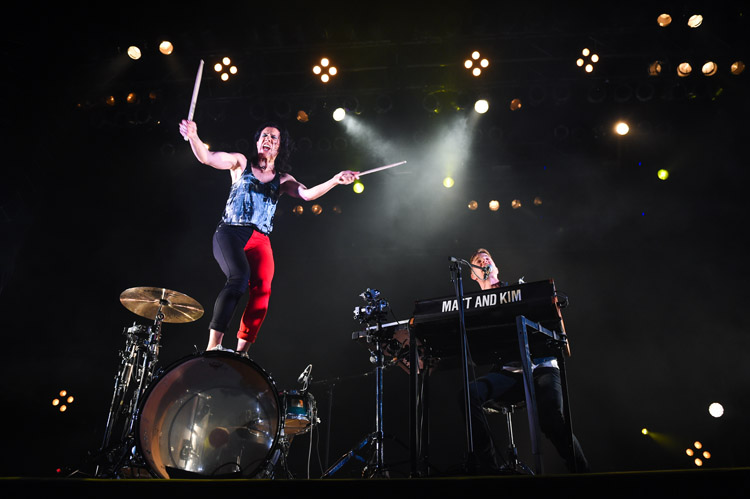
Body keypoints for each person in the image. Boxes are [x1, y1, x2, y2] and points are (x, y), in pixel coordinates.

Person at [179, 119, 358, 354]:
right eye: (264, 135)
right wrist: (193, 136)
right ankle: (214, 346)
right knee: (239, 278)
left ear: (279, 147)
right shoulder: (240, 163)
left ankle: (241, 353)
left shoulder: (283, 179)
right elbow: (207, 157)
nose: (268, 139)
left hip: (260, 239)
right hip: (231, 231)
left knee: (262, 290)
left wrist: (335, 180)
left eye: (274, 137)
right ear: (257, 142)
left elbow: (306, 195)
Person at [461, 247, 590, 474]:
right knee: (469, 394)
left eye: (487, 259)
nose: (483, 262)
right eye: (478, 261)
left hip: (541, 365)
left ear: (496, 268)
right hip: (510, 372)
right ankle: (489, 470)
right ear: (472, 274)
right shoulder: (473, 307)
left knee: (550, 419)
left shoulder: (516, 291)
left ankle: (582, 472)